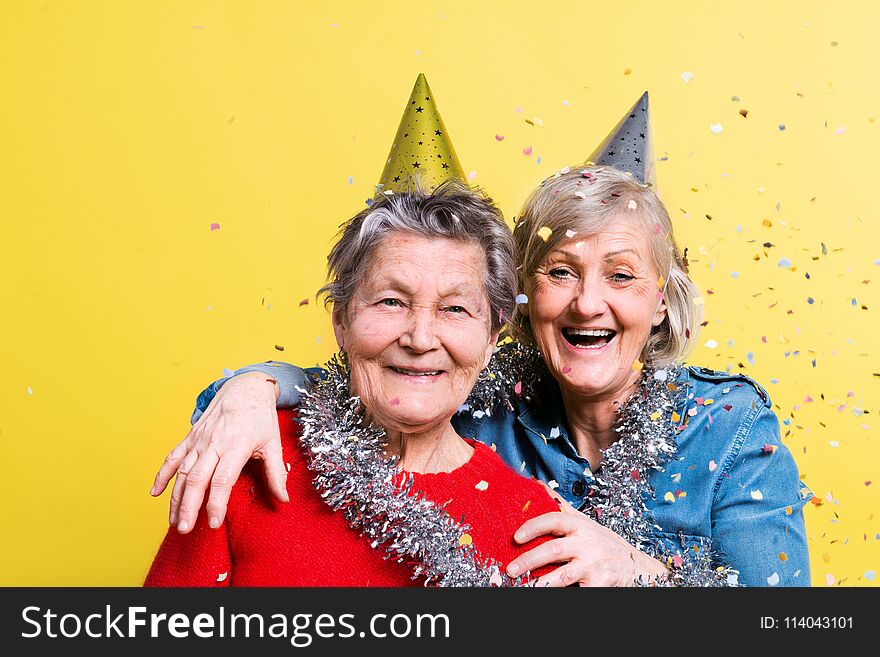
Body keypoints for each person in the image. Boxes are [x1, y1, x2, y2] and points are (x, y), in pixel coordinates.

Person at [153, 166, 811, 587]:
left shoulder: (726, 427)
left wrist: (648, 577)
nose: (587, 303)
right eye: (560, 271)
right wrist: (252, 386)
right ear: (521, 303)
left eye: (620, 274)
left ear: (662, 298)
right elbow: (365, 385)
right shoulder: (484, 396)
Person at [145, 182, 581, 586]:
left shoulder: (537, 524)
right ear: (342, 321)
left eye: (454, 309)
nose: (420, 338)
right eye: (391, 301)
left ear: (490, 340)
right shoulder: (248, 454)